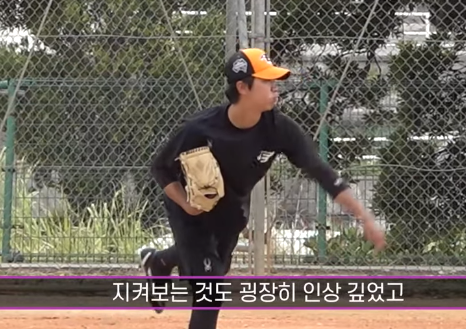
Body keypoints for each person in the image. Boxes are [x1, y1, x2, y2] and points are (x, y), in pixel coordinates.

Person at [140, 48, 386, 329]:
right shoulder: (200, 129)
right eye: (266, 81)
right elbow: (160, 168)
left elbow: (321, 172)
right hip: (190, 213)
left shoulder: (279, 129)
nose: (275, 86)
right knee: (210, 292)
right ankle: (167, 262)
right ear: (242, 87)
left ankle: (159, 263)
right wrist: (185, 203)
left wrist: (364, 217)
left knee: (214, 268)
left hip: (230, 213)